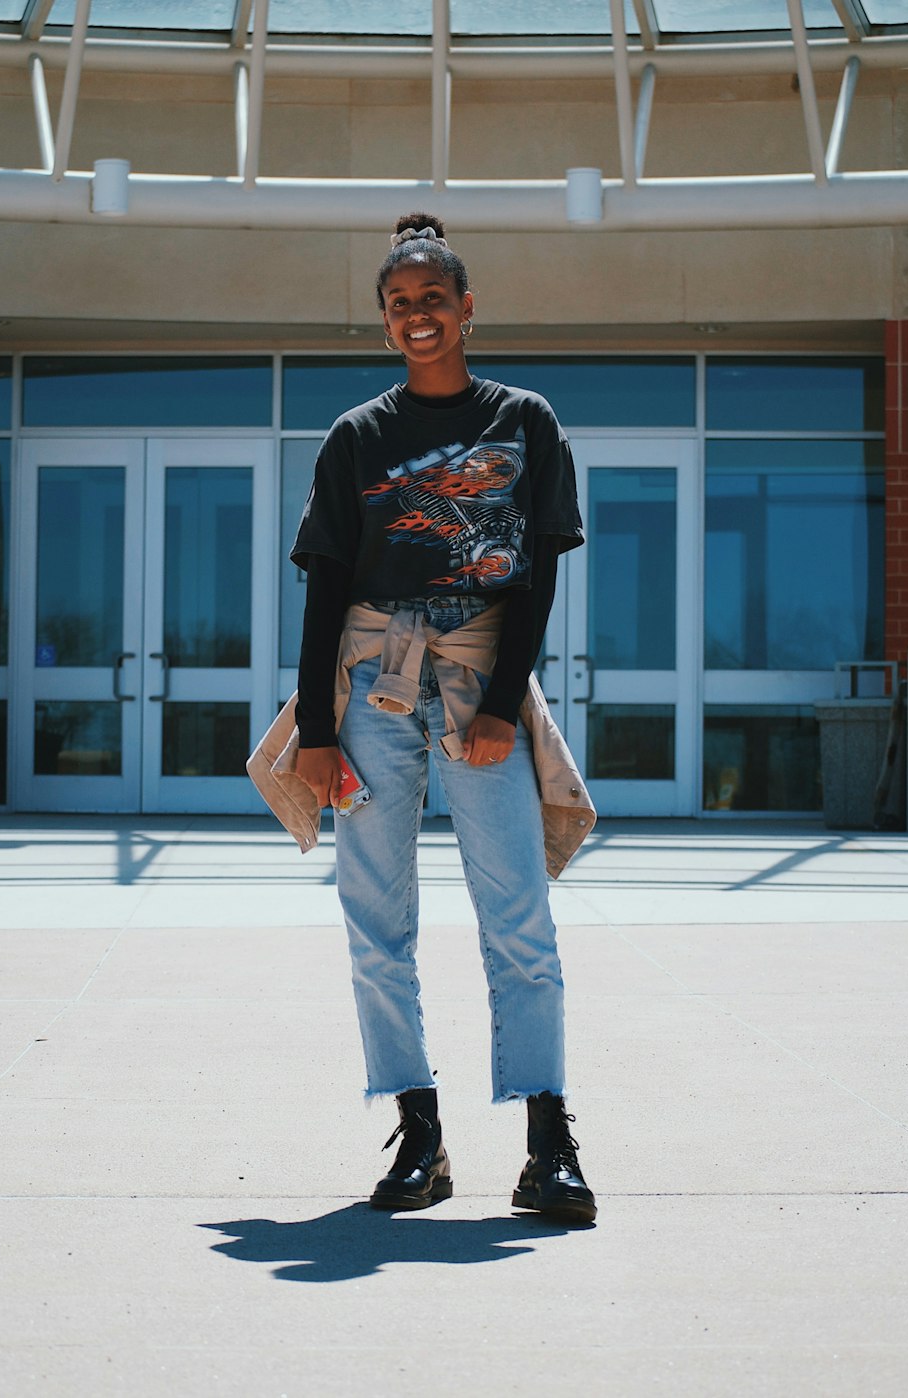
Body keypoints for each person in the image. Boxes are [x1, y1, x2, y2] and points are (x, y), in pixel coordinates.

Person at [286, 213, 596, 1223]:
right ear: (384, 324)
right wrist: (320, 737)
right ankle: (420, 1137)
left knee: (519, 921)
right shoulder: (358, 438)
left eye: (432, 299)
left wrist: (502, 704)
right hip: (370, 685)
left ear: (467, 309)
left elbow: (539, 578)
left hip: (476, 683)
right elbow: (324, 588)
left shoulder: (525, 420)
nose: (417, 315)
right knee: (376, 923)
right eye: (398, 304)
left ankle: (548, 1144)